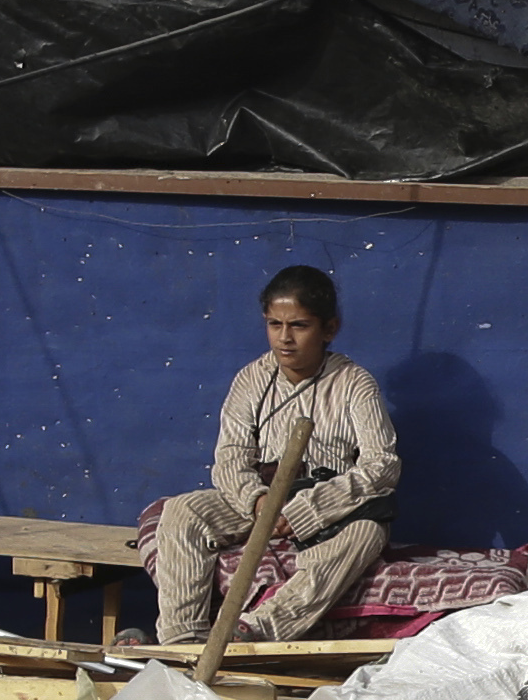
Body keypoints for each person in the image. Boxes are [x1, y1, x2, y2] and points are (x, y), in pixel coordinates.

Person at [146, 267, 403, 644]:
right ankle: (182, 636)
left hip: (326, 507)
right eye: (274, 324)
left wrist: (307, 509)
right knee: (183, 511)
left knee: (367, 533)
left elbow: (382, 465)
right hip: (262, 500)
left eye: (299, 326)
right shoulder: (252, 379)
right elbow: (231, 457)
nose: (285, 338)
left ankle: (256, 630)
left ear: (329, 329)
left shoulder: (353, 383)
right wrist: (258, 501)